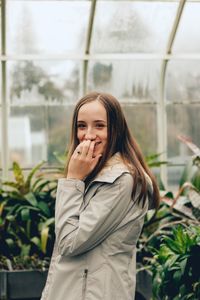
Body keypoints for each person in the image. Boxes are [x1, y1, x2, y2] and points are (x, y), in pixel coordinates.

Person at [41, 92, 160, 300]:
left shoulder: (122, 180)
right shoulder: (95, 172)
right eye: (81, 126)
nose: (88, 135)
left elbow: (69, 242)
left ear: (116, 129)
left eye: (99, 125)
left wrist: (72, 180)